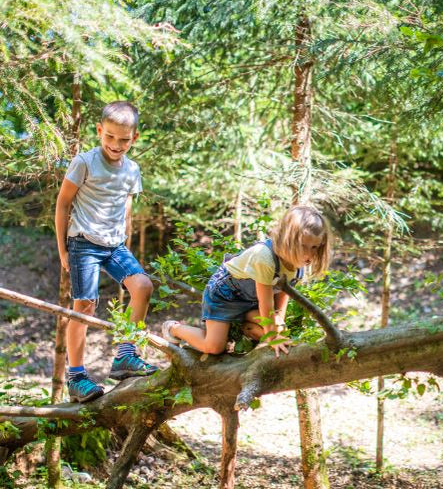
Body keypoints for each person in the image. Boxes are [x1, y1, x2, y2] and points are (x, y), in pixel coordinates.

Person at [55, 101, 157, 403]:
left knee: (143, 286)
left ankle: (125, 355)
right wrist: (62, 248)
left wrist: (124, 233)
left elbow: (125, 202)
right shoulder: (84, 162)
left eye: (124, 139)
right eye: (109, 136)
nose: (116, 144)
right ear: (100, 131)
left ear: (134, 138)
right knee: (84, 305)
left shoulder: (132, 169)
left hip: (114, 245)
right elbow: (63, 204)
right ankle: (76, 376)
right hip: (83, 242)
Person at [161, 205, 332, 357]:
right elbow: (266, 304)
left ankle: (243, 325)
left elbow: (282, 294)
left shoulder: (298, 263)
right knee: (213, 347)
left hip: (251, 303)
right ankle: (173, 328)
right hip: (225, 296)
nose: (309, 255)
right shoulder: (264, 257)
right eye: (303, 246)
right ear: (288, 239)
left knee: (279, 327)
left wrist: (280, 326)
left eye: (315, 247)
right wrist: (273, 338)